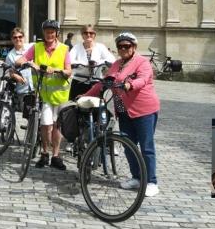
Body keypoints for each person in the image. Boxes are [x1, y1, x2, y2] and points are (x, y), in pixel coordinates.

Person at [82, 31, 160, 197]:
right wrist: (86, 95)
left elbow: (143, 79)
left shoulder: (142, 62)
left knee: (146, 147)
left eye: (127, 46)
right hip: (123, 110)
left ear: (134, 47)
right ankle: (137, 178)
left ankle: (152, 182)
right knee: (128, 145)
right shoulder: (116, 64)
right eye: (120, 46)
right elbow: (104, 84)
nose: (123, 48)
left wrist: (130, 85)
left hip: (144, 110)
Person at [16, 19, 72, 170]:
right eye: (47, 31)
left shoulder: (64, 49)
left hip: (60, 94)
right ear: (44, 33)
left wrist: (59, 71)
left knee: (57, 126)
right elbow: (22, 59)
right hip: (43, 94)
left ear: (57, 34)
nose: (49, 34)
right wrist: (27, 63)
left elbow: (69, 70)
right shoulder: (37, 47)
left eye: (52, 32)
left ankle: (55, 155)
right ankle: (44, 153)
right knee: (46, 125)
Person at [68, 24, 115, 100]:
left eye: (91, 33)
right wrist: (83, 64)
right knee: (76, 105)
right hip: (79, 81)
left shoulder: (100, 47)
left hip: (96, 81)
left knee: (97, 105)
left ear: (95, 35)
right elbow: (70, 60)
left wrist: (98, 62)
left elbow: (112, 59)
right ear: (82, 35)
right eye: (85, 33)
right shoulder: (77, 47)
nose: (88, 35)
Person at [5, 27, 33, 96]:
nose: (18, 39)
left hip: (36, 87)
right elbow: (8, 72)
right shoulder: (10, 55)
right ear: (12, 39)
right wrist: (15, 76)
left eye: (20, 36)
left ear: (23, 37)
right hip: (22, 89)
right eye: (15, 37)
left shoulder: (31, 47)